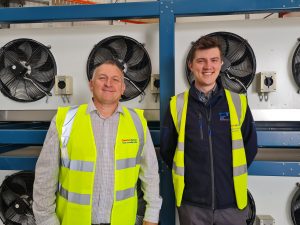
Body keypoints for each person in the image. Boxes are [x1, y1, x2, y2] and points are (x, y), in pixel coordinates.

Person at [33, 59, 162, 225]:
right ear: (91, 84)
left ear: (123, 88)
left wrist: (151, 215)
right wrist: (46, 220)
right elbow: (45, 176)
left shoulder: (137, 122)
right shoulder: (65, 119)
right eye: (102, 78)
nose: (109, 83)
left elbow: (150, 173)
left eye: (116, 79)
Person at [160, 36, 257, 225]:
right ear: (190, 65)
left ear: (221, 64)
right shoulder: (176, 105)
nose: (208, 66)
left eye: (213, 60)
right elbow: (167, 150)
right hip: (192, 205)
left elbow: (250, 148)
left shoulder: (238, 103)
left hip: (232, 205)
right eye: (201, 60)